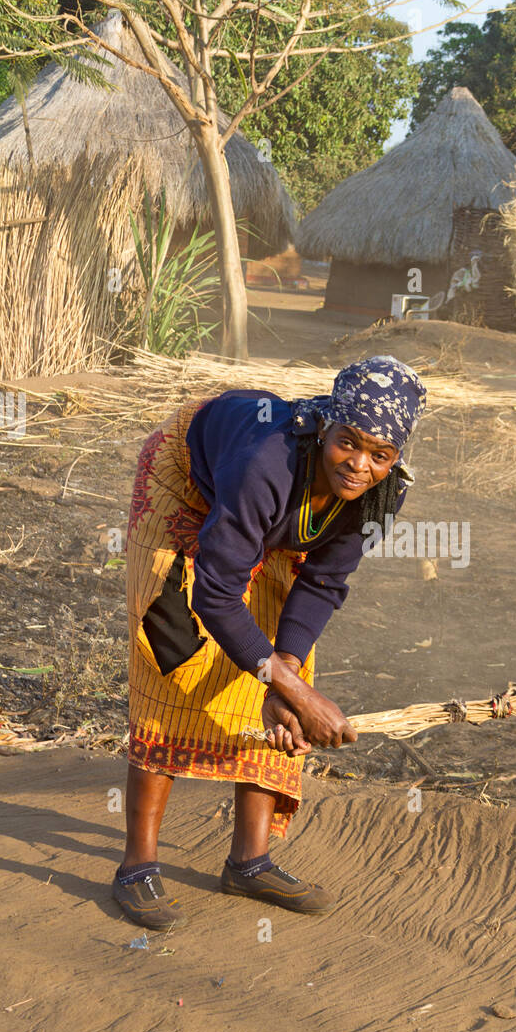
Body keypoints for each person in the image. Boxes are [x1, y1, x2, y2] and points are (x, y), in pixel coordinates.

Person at [112, 355, 427, 930]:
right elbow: (216, 597)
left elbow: (325, 580)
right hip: (186, 487)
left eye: (380, 456)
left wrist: (283, 680)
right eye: (347, 444)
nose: (359, 466)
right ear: (325, 427)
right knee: (174, 649)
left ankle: (249, 861)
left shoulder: (382, 496)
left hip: (278, 518)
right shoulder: (267, 461)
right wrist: (298, 694)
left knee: (285, 666)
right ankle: (137, 866)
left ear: (397, 458)